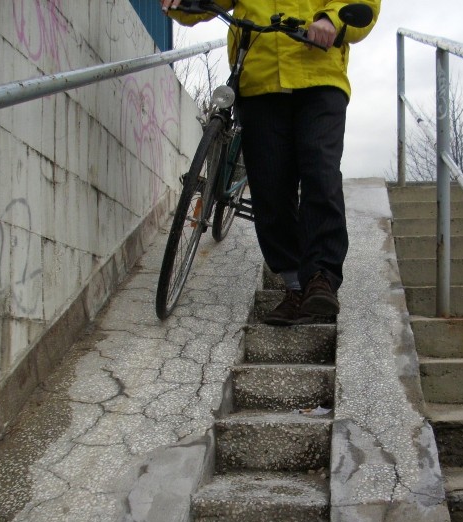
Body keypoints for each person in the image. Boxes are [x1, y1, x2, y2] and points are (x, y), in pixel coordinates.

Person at [161, 0, 379, 325]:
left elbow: (362, 3)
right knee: (269, 187)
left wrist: (332, 21)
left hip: (317, 72)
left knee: (320, 170)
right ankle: (294, 288)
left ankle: (320, 278)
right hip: (259, 79)